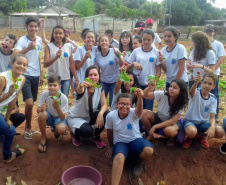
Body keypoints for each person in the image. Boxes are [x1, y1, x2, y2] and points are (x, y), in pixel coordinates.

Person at [105, 92, 154, 185]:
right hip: (120, 143)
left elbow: (139, 111)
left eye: (127, 104)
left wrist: (140, 98)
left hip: (135, 140)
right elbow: (109, 132)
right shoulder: (111, 116)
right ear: (117, 104)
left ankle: (139, 162)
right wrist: (111, 146)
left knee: (148, 150)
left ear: (131, 105)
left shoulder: (133, 113)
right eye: (122, 103)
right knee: (119, 157)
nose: (124, 106)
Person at [12, 16, 43, 140]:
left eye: (35, 26)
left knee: (32, 103)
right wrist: (27, 48)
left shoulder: (39, 40)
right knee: (29, 103)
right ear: (26, 27)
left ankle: (29, 128)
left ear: (37, 28)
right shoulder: (22, 40)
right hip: (25, 75)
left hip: (36, 74)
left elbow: (38, 58)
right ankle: (27, 129)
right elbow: (14, 55)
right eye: (31, 26)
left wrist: (41, 74)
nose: (33, 28)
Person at [67, 65, 108, 148]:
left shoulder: (99, 87)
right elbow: (80, 89)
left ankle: (96, 136)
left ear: (99, 76)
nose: (93, 77)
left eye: (95, 75)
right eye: (90, 75)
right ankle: (75, 135)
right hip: (76, 118)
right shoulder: (83, 88)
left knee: (107, 114)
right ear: (86, 77)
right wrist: (81, 85)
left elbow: (104, 104)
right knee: (87, 132)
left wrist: (100, 113)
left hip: (89, 116)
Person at [183, 73, 225, 149]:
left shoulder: (213, 99)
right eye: (205, 82)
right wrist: (195, 83)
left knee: (220, 132)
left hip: (203, 123)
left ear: (213, 86)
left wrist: (212, 126)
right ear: (201, 83)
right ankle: (190, 137)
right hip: (190, 121)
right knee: (191, 131)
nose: (206, 85)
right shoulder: (196, 93)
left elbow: (212, 116)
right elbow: (191, 92)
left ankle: (201, 136)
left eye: (210, 84)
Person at [142, 79, 189, 146]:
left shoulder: (181, 103)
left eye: (175, 88)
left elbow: (172, 121)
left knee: (169, 130)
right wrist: (149, 87)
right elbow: (145, 95)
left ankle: (172, 138)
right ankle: (150, 135)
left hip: (173, 123)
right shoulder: (163, 94)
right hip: (159, 118)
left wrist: (155, 126)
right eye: (171, 86)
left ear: (181, 91)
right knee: (144, 113)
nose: (171, 89)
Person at [0, 54, 28, 163]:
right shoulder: (3, 79)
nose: (22, 66)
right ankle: (7, 156)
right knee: (11, 132)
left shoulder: (22, 78)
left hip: (2, 111)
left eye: (25, 65)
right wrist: (7, 94)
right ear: (11, 64)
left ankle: (3, 133)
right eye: (19, 63)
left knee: (15, 120)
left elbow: (13, 100)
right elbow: (9, 97)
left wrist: (7, 118)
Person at [127, 29, 161, 110]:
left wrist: (154, 84)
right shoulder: (136, 51)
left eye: (149, 40)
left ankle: (145, 123)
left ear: (153, 39)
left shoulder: (156, 52)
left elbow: (159, 70)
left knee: (147, 109)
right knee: (135, 107)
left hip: (149, 85)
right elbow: (127, 66)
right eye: (144, 39)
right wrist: (133, 64)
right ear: (141, 39)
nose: (146, 42)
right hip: (136, 84)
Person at [37, 75, 68, 153]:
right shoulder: (45, 94)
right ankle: (43, 138)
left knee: (61, 129)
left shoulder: (63, 98)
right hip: (49, 117)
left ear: (59, 86)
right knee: (41, 114)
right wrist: (41, 108)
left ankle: (56, 131)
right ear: (47, 85)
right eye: (50, 85)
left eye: (55, 85)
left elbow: (62, 117)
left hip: (59, 118)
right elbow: (38, 110)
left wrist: (57, 108)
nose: (52, 87)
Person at [43, 25, 77, 97]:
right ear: (53, 34)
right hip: (53, 78)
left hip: (66, 78)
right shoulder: (48, 47)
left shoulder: (68, 46)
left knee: (64, 99)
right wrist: (56, 57)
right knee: (56, 98)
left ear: (64, 35)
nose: (58, 35)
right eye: (56, 33)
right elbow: (45, 64)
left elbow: (71, 63)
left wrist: (76, 78)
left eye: (60, 33)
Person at [95, 35, 125, 106]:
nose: (104, 42)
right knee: (100, 102)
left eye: (106, 41)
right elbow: (97, 69)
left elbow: (123, 65)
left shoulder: (114, 51)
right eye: (102, 41)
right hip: (103, 81)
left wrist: (119, 56)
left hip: (114, 81)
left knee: (113, 102)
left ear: (109, 43)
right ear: (99, 43)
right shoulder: (97, 55)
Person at [204, 24, 226, 122]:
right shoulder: (202, 44)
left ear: (214, 32)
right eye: (207, 31)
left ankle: (215, 114)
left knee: (214, 93)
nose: (209, 33)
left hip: (214, 73)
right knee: (203, 93)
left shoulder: (218, 44)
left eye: (210, 31)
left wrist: (212, 71)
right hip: (204, 72)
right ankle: (204, 114)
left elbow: (220, 59)